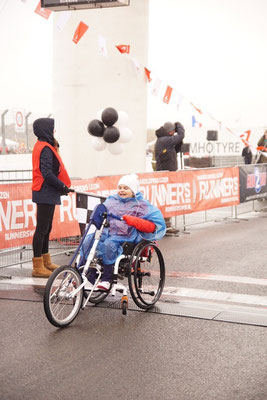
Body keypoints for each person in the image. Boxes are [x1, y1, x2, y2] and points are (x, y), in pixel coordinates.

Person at [81, 173, 166, 291]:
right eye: (120, 187)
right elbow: (102, 211)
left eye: (126, 188)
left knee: (109, 245)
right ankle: (87, 276)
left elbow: (157, 224)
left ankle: (106, 279)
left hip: (126, 235)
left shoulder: (142, 205)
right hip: (108, 232)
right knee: (87, 241)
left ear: (133, 190)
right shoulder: (112, 200)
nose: (122, 190)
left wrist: (135, 221)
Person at [31, 118, 73, 278]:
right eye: (52, 128)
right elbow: (46, 173)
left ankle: (45, 261)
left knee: (46, 228)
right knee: (42, 229)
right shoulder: (45, 148)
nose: (54, 131)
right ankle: (37, 265)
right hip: (45, 190)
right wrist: (61, 186)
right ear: (45, 130)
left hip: (46, 190)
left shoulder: (43, 145)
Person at [155, 121, 185, 233]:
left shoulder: (166, 140)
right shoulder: (164, 140)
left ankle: (167, 226)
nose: (174, 134)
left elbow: (177, 147)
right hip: (164, 176)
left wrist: (179, 141)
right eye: (173, 131)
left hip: (168, 175)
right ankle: (164, 227)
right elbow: (181, 135)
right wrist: (179, 126)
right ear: (170, 131)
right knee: (165, 201)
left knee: (168, 201)